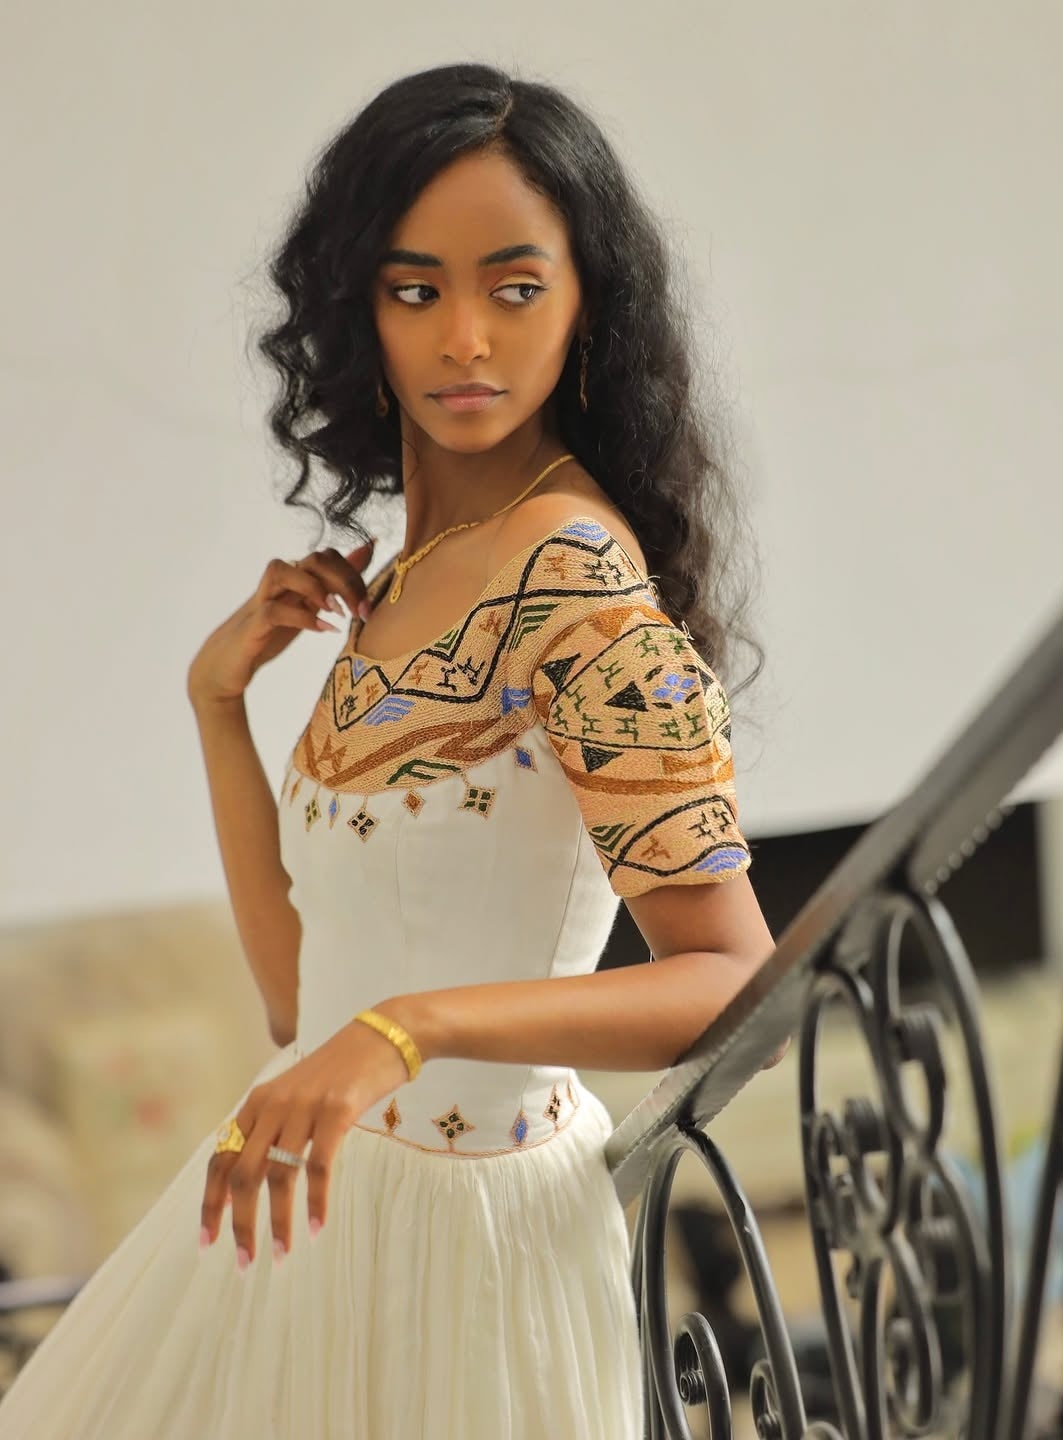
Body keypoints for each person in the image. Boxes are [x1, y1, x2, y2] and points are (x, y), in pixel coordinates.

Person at [0, 60, 779, 1439]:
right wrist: (217, 707)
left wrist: (409, 1031)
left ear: (589, 305)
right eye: (417, 289)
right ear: (359, 311)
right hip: (309, 1218)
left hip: (473, 1262)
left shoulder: (581, 587)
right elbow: (305, 995)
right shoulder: (415, 569)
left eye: (514, 286)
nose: (465, 336)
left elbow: (731, 982)